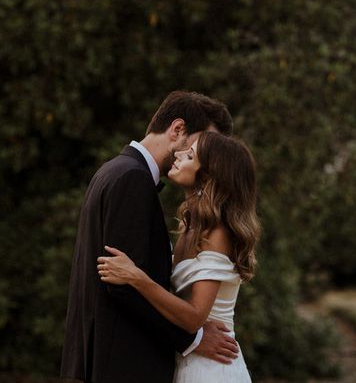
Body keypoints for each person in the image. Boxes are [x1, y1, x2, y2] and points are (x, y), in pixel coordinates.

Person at [60, 91, 239, 383]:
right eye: (199, 146)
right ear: (178, 129)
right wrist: (191, 340)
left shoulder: (115, 171)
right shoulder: (132, 178)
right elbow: (121, 287)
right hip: (125, 362)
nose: (200, 158)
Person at [97, 131, 260, 383]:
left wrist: (137, 278)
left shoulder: (217, 233)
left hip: (212, 368)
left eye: (190, 155)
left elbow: (195, 317)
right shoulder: (189, 226)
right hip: (187, 361)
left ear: (208, 175)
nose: (179, 154)